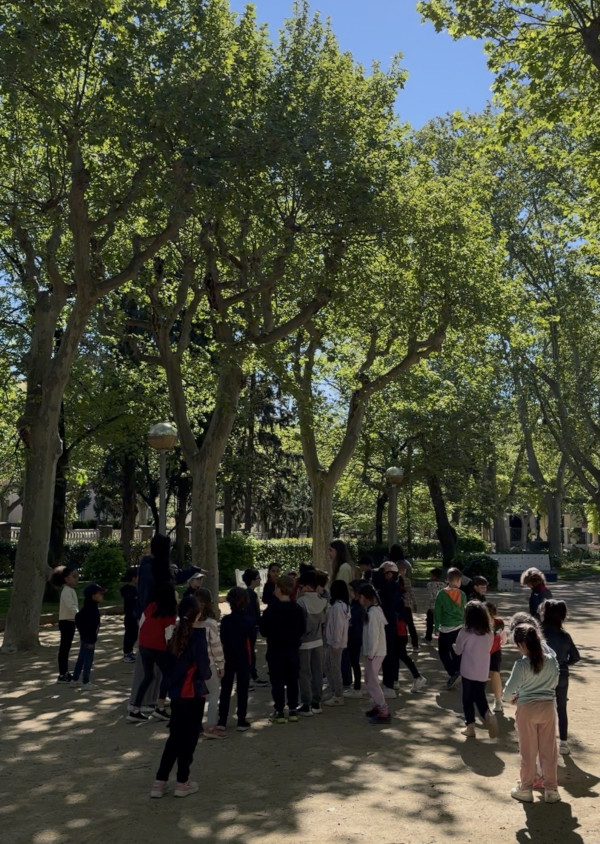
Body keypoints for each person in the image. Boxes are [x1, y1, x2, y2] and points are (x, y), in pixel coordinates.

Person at [150, 596, 210, 799]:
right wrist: (208, 674)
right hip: (193, 693)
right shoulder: (198, 638)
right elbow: (204, 668)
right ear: (199, 615)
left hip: (176, 694)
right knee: (189, 739)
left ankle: (160, 781)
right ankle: (182, 781)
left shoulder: (174, 636)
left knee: (175, 738)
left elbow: (167, 666)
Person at [503, 622, 560, 803]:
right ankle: (551, 789)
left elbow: (507, 693)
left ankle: (526, 788)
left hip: (527, 709)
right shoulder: (551, 660)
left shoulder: (521, 664)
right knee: (549, 750)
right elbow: (555, 682)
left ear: (521, 644)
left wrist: (513, 697)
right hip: (548, 708)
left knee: (528, 751)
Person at [128, 582, 177, 723]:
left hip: (144, 644)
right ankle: (160, 707)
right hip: (158, 645)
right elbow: (169, 634)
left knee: (148, 676)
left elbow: (142, 623)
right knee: (168, 674)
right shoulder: (169, 611)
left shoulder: (151, 606)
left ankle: (135, 708)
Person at [259, 575, 306, 723]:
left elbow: (263, 630)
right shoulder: (297, 609)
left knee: (277, 680)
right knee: (292, 679)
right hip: (292, 650)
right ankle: (293, 709)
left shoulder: (271, 610)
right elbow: (302, 629)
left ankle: (279, 710)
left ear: (278, 589)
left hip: (276, 650)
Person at [540, 599, 581, 755]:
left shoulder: (539, 633)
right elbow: (576, 657)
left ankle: (543, 741)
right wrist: (564, 664)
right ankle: (563, 742)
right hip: (562, 674)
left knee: (541, 706)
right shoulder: (565, 635)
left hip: (542, 674)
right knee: (561, 708)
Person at [453, 601, 497, 738]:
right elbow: (489, 649)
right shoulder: (489, 633)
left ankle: (470, 726)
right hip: (483, 670)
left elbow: (458, 650)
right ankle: (488, 715)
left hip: (467, 670)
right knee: (480, 696)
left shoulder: (465, 632)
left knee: (467, 699)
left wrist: (453, 645)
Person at [218, 587, 253, 733]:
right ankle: (241, 719)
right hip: (244, 657)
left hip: (228, 657)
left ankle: (222, 720)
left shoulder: (226, 620)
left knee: (225, 690)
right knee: (242, 689)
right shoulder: (248, 621)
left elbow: (223, 639)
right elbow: (251, 641)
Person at [194, 587, 225, 739]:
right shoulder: (210, 623)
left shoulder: (185, 623)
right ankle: (211, 725)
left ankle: (195, 724)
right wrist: (221, 665)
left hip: (191, 665)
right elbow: (216, 646)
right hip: (209, 663)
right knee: (214, 694)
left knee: (196, 695)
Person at [296, 569, 328, 715]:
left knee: (304, 673)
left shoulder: (301, 602)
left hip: (304, 641)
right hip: (318, 641)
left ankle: (306, 703)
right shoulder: (323, 601)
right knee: (317, 672)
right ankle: (317, 702)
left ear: (307, 586)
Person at [358, 583, 390, 725]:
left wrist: (370, 653)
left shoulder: (372, 613)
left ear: (365, 597)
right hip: (375, 651)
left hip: (375, 652)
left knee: (372, 682)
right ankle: (378, 706)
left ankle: (384, 710)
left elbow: (373, 635)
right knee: (370, 680)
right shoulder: (375, 610)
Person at [434, 567, 466, 689]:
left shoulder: (441, 594)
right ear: (457, 580)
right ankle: (459, 671)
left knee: (443, 653)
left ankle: (453, 673)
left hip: (446, 628)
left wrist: (436, 627)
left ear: (448, 580)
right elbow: (465, 611)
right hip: (459, 627)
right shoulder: (462, 594)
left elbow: (437, 612)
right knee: (457, 652)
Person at [395, 577, 427, 694]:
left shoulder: (398, 602)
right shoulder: (400, 601)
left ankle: (416, 677)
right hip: (400, 633)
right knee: (398, 656)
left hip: (399, 633)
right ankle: (396, 680)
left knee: (400, 656)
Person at [72, 583, 106, 687]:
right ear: (93, 595)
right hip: (89, 639)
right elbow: (93, 627)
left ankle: (75, 679)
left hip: (84, 638)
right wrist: (92, 640)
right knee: (88, 660)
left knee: (81, 658)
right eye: (100, 594)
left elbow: (78, 618)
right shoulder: (93, 611)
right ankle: (85, 681)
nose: (101, 596)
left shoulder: (86, 608)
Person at [378, 562, 404, 698]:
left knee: (389, 655)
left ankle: (389, 684)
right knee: (388, 654)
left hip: (390, 624)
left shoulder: (391, 587)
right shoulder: (390, 587)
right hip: (388, 623)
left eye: (387, 573)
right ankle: (390, 682)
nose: (385, 575)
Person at [323, 579, 350, 706]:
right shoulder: (339, 606)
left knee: (335, 668)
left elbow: (339, 627)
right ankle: (334, 690)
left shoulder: (339, 607)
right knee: (328, 666)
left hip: (335, 643)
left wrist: (336, 643)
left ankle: (338, 695)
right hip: (333, 641)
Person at [51, 565, 80, 683]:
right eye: (74, 576)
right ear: (66, 579)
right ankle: (62, 674)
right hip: (66, 623)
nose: (76, 579)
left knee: (66, 648)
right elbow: (71, 607)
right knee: (64, 649)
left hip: (70, 622)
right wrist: (80, 616)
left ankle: (64, 672)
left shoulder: (70, 590)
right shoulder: (66, 591)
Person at [242, 568, 268, 688]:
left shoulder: (250, 593)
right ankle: (249, 677)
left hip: (251, 627)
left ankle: (253, 675)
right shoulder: (250, 595)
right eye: (257, 578)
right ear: (252, 580)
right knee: (249, 652)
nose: (259, 580)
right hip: (250, 628)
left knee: (251, 651)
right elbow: (252, 613)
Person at [343, 580, 366, 698]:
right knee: (353, 662)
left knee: (355, 663)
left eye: (351, 590)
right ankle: (356, 686)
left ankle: (357, 688)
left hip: (355, 638)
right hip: (352, 637)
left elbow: (352, 621)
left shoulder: (358, 607)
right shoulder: (352, 604)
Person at [485, 601, 505, 713]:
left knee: (495, 673)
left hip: (495, 651)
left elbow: (502, 636)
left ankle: (498, 700)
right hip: (481, 653)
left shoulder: (499, 623)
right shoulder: (478, 624)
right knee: (481, 676)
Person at [396, 559, 419, 650]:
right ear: (404, 570)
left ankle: (402, 644)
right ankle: (415, 644)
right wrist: (415, 603)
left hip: (400, 607)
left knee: (402, 625)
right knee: (411, 625)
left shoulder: (395, 581)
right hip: (407, 606)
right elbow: (411, 593)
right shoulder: (407, 580)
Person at [121, 567, 139, 663]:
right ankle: (127, 653)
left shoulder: (136, 589)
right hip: (130, 616)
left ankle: (130, 651)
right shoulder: (129, 590)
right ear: (133, 578)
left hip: (135, 616)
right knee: (129, 634)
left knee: (135, 634)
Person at [423, 568, 444, 645]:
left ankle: (428, 637)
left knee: (429, 623)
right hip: (441, 607)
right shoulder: (443, 585)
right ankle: (441, 636)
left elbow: (430, 596)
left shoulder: (429, 584)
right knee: (440, 622)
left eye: (431, 575)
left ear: (434, 576)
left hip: (432, 606)